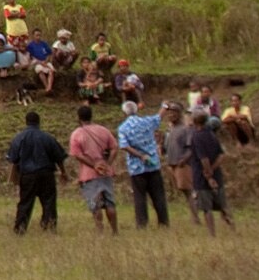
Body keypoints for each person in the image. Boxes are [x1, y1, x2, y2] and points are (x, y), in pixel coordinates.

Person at [5, 108, 69, 233]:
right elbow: (59, 157)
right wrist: (63, 172)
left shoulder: (19, 137)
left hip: (27, 175)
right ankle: (49, 227)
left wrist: (15, 176)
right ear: (39, 122)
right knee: (48, 201)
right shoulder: (47, 137)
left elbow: (13, 158)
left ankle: (20, 228)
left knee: (25, 202)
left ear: (26, 122)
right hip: (46, 174)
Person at [68, 104, 120, 236]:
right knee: (109, 203)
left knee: (95, 204)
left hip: (89, 174)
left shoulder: (77, 134)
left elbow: (77, 155)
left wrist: (93, 165)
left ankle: (100, 231)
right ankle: (115, 231)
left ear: (79, 118)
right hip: (106, 172)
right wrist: (107, 164)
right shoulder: (103, 130)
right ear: (91, 116)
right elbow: (114, 147)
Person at [116, 100, 169, 228]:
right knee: (158, 195)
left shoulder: (123, 128)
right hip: (153, 164)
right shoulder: (146, 121)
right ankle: (163, 222)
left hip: (136, 167)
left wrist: (140, 156)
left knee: (140, 196)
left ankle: (142, 224)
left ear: (124, 113)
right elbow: (159, 117)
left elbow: (124, 146)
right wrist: (164, 106)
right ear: (136, 110)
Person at [187, 110, 236, 235]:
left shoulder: (196, 137)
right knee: (222, 204)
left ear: (194, 121)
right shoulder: (212, 135)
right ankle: (232, 228)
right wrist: (213, 171)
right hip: (216, 174)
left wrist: (208, 175)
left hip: (202, 176)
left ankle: (211, 234)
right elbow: (221, 155)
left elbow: (204, 159)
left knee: (206, 208)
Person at [163, 102, 200, 226]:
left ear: (179, 114)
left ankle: (196, 219)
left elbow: (192, 148)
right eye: (169, 113)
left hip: (182, 164)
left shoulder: (186, 129)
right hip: (172, 163)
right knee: (184, 191)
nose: (171, 115)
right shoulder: (171, 129)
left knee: (188, 191)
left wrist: (184, 159)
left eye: (174, 113)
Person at [25, 28, 54, 93]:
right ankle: (46, 87)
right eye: (36, 35)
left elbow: (49, 53)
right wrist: (40, 62)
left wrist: (46, 61)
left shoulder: (44, 44)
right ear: (33, 36)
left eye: (39, 35)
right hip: (37, 63)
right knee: (40, 71)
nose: (38, 37)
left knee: (51, 71)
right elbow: (30, 56)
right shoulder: (30, 45)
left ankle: (49, 87)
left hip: (45, 61)